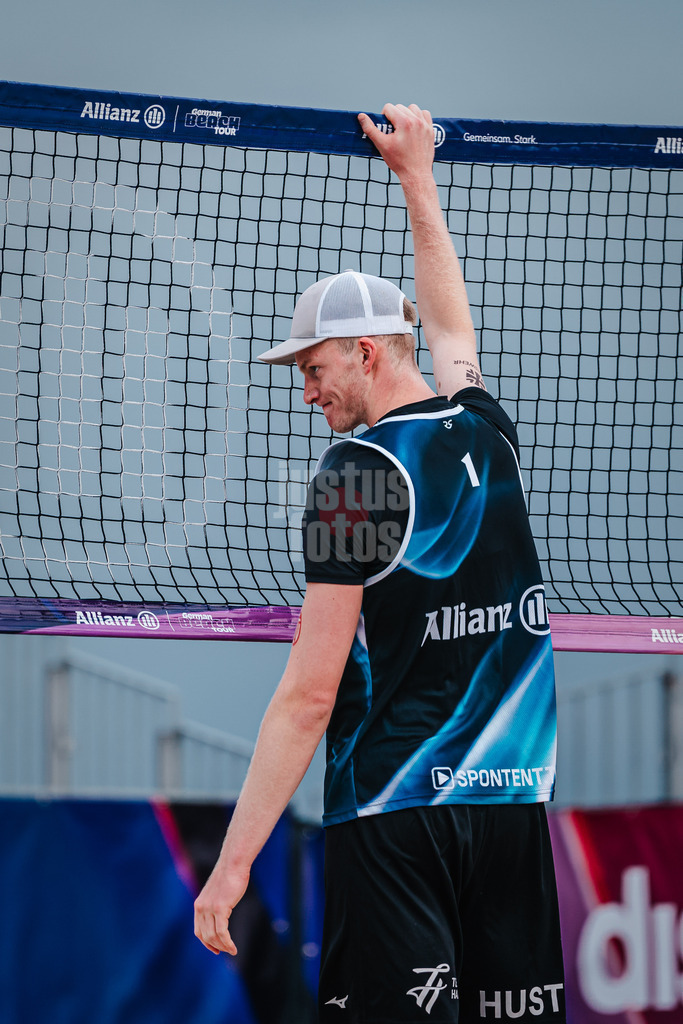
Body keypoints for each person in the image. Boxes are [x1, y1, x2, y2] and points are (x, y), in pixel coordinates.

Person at [195, 103, 565, 1023]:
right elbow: (451, 333)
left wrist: (234, 862)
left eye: (313, 367)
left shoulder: (353, 477)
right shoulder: (486, 431)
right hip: (512, 807)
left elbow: (309, 694)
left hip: (395, 816)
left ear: (364, 351)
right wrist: (418, 178)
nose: (306, 387)